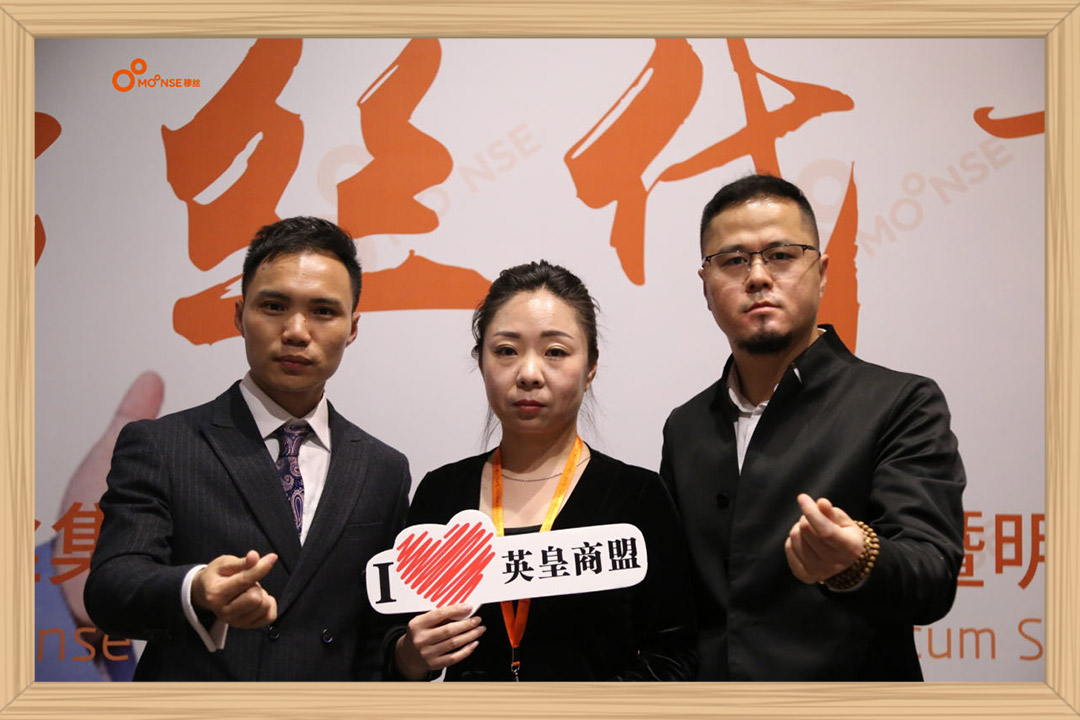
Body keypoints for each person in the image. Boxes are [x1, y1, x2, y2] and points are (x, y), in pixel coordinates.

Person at [660, 174, 966, 681]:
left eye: (781, 255)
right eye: (733, 261)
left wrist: (858, 559)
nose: (758, 277)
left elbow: (932, 576)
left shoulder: (899, 403)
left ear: (822, 273)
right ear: (706, 286)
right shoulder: (686, 426)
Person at [85, 216, 411, 681]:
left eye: (323, 311)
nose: (296, 331)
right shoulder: (163, 445)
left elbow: (379, 628)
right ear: (239, 315)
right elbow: (111, 587)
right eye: (274, 306)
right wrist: (196, 588)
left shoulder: (383, 468)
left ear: (352, 327)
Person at [388, 260, 696, 681]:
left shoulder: (638, 496)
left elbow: (675, 654)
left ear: (590, 367)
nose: (529, 374)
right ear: (481, 362)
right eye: (506, 351)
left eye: (555, 352)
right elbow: (393, 638)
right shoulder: (441, 492)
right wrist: (409, 656)